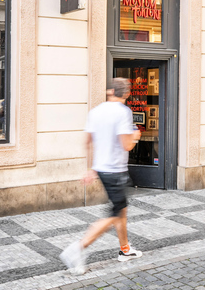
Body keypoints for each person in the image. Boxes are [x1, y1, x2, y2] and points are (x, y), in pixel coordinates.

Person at [60, 78, 143, 275]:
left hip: (103, 170)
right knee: (115, 213)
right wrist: (136, 136)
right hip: (116, 171)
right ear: (127, 94)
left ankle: (125, 250)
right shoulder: (124, 112)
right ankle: (78, 249)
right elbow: (127, 145)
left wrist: (91, 168)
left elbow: (87, 141)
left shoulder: (95, 111)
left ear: (110, 91)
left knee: (120, 209)